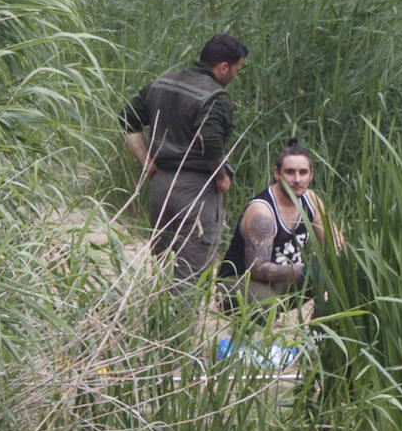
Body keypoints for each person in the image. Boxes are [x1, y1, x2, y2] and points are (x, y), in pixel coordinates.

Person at [120, 33, 247, 286]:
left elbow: (126, 118)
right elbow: (209, 141)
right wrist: (221, 177)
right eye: (236, 69)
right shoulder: (216, 97)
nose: (235, 76)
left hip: (161, 186)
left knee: (163, 268)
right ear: (223, 67)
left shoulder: (162, 83)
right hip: (196, 191)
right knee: (190, 275)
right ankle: (182, 324)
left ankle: (158, 323)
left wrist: (148, 163)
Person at [219, 139, 343, 305]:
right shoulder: (262, 212)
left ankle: (319, 330)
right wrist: (307, 270)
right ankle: (246, 329)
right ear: (277, 173)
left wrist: (337, 266)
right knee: (266, 304)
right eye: (290, 172)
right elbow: (258, 270)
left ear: (311, 174)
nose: (297, 179)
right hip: (239, 281)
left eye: (303, 172)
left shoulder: (311, 200)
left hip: (285, 279)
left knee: (338, 279)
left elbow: (336, 243)